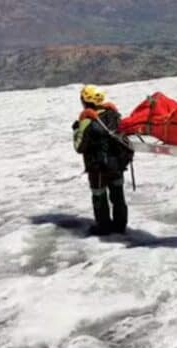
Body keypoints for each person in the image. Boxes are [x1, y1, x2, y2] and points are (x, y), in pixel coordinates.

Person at [72, 85, 133, 235]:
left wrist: (76, 129)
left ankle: (104, 228)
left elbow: (79, 147)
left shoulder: (87, 121)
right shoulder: (114, 114)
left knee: (99, 196)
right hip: (117, 164)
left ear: (85, 101)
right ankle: (120, 227)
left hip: (97, 167)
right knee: (118, 195)